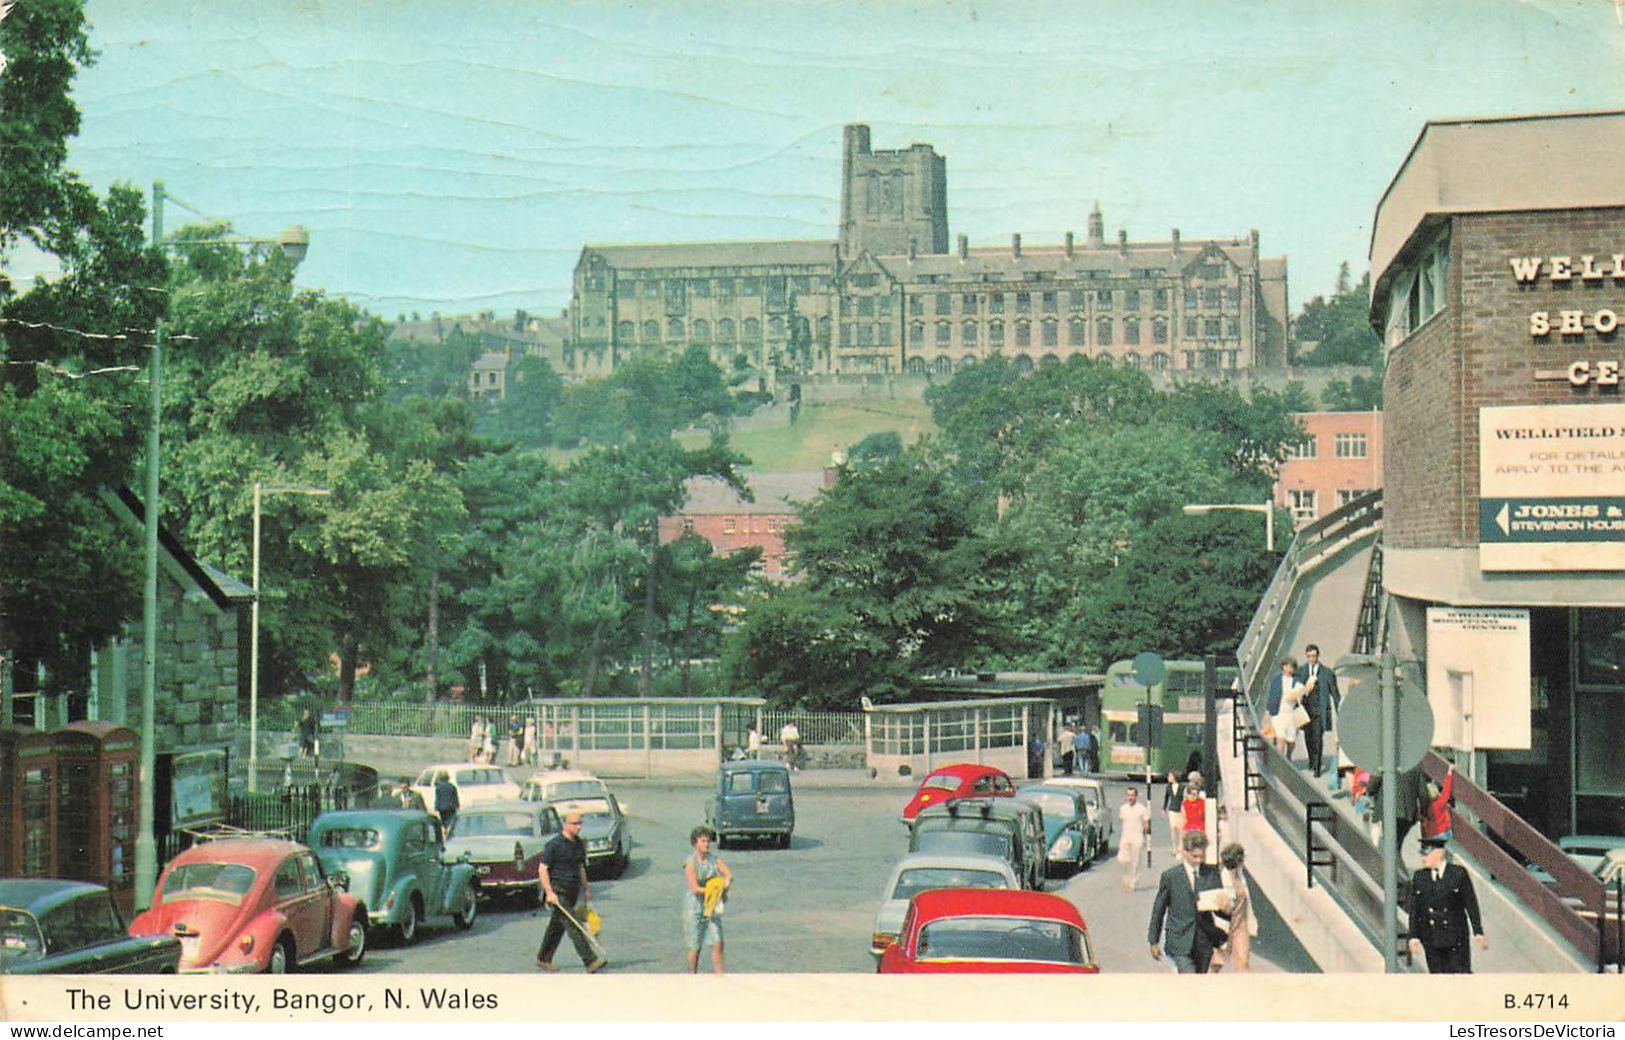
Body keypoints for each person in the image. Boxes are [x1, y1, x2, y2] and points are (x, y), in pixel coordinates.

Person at [1147, 830, 1227, 974]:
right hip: (1179, 940)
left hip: (1204, 941)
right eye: (1194, 856)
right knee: (1189, 977)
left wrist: (1227, 909)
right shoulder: (1171, 877)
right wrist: (1153, 940)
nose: (1198, 860)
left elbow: (1219, 908)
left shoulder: (1212, 873)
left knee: (1199, 984)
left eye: (1202, 856)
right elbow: (1158, 910)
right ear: (1184, 852)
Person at [536, 812, 607, 973]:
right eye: (574, 824)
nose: (578, 827)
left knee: (557, 926)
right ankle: (590, 961)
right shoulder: (554, 844)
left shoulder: (579, 844)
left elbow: (580, 867)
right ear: (565, 825)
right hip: (557, 891)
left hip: (572, 891)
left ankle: (543, 958)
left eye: (580, 823)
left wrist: (586, 888)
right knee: (574, 925)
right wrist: (549, 893)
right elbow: (543, 869)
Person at [1407, 836, 1487, 973]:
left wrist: (1477, 931)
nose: (1423, 858)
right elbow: (1415, 909)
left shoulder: (1457, 874)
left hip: (1455, 937)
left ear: (1439, 853)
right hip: (1431, 937)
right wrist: (1413, 936)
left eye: (1426, 854)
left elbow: (1471, 904)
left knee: (1459, 975)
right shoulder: (1420, 877)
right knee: (1437, 977)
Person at [682, 825, 733, 974]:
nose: (706, 844)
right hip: (695, 905)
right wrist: (712, 890)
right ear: (696, 842)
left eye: (708, 841)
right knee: (695, 944)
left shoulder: (714, 859)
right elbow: (694, 888)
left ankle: (719, 974)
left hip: (712, 905)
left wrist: (724, 885)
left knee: (718, 941)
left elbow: (728, 874)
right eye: (703, 841)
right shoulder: (690, 863)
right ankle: (692, 975)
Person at [1211, 842, 1255, 972]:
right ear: (1238, 860)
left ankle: (1244, 990)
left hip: (1240, 926)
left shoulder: (1240, 876)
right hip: (1224, 927)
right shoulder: (1221, 879)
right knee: (1216, 964)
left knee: (1243, 962)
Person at [1301, 643, 1341, 776]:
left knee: (1318, 738)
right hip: (1306, 711)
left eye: (1314, 656)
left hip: (1320, 711)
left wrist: (1339, 709)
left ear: (1318, 656)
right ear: (1306, 657)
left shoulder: (1327, 673)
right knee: (1308, 738)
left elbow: (1335, 694)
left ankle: (1317, 767)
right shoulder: (1301, 671)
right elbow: (1295, 690)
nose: (1312, 659)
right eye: (1309, 656)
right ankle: (1312, 760)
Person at [1117, 785, 1153, 891]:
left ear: (1136, 796)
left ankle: (1132, 881)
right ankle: (1126, 877)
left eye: (1132, 795)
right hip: (1125, 837)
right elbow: (1123, 821)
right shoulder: (1123, 808)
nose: (1130, 797)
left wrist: (1146, 833)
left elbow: (1146, 823)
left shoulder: (1141, 808)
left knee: (1135, 861)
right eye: (1128, 795)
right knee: (1122, 859)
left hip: (1137, 837)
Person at [1269, 658, 1304, 757]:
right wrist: (1269, 712)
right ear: (1283, 667)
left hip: (1291, 714)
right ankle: (1280, 764)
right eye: (1287, 666)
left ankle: (1288, 757)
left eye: (1292, 667)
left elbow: (1297, 697)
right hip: (1278, 714)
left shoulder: (1297, 681)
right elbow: (1271, 696)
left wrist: (1301, 693)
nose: (1289, 669)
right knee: (1280, 738)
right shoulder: (1276, 679)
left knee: (1291, 741)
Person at [1162, 770, 1186, 852]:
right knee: (1173, 828)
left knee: (1181, 829)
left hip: (1180, 809)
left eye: (1170, 776)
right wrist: (1164, 808)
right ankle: (1174, 847)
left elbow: (1184, 799)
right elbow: (1166, 798)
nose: (1168, 778)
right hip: (1172, 810)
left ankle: (1181, 846)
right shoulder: (1168, 787)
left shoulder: (1182, 787)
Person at [432, 770, 460, 836]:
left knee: (443, 821)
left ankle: (445, 830)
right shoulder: (452, 787)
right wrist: (457, 806)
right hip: (451, 807)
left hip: (442, 808)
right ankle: (449, 831)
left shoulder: (438, 788)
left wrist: (436, 807)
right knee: (450, 821)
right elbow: (455, 798)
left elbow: (438, 798)